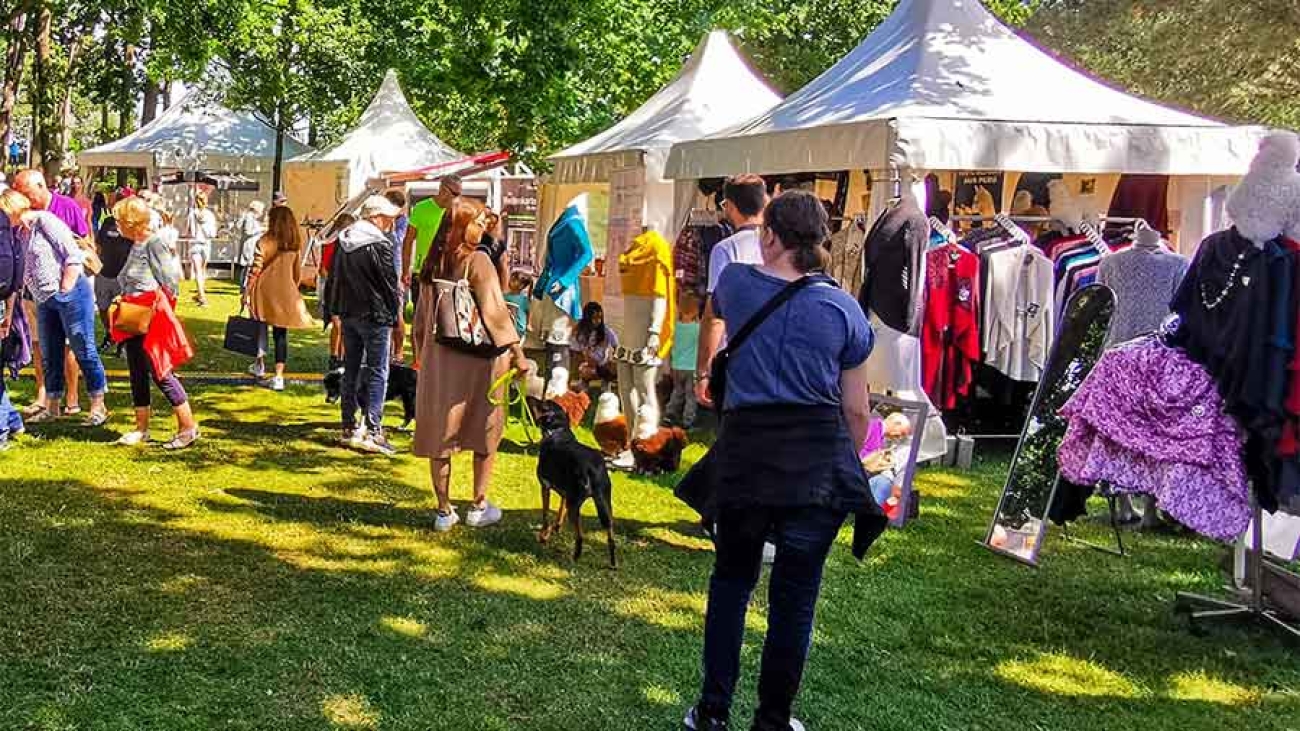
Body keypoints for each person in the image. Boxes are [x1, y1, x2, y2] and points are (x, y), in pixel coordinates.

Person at [685, 190, 879, 731]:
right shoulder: (843, 309)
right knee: (795, 599)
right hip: (815, 464)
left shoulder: (738, 283)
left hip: (748, 456)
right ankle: (773, 720)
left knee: (731, 582)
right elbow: (857, 412)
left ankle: (713, 711)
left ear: (768, 235)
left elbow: (718, 316)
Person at [412, 199, 530, 532]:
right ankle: (478, 504)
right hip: (481, 359)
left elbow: (422, 318)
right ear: (462, 225)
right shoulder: (478, 260)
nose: (483, 229)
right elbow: (495, 312)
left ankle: (443, 510)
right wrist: (519, 356)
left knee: (441, 433)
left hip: (439, 359)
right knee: (486, 428)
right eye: (478, 223)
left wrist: (419, 351)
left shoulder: (433, 262)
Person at [0, 189, 109, 426]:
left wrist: (65, 288)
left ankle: (98, 403)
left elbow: (72, 255)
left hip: (70, 294)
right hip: (43, 299)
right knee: (50, 353)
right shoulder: (17, 233)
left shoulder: (45, 222)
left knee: (83, 347)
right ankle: (52, 405)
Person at [109, 196, 199, 449]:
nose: (116, 225)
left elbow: (170, 282)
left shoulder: (154, 242)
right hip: (133, 317)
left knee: (160, 372)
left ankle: (187, 426)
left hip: (150, 317)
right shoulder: (136, 244)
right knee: (137, 370)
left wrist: (162, 312)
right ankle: (142, 428)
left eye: (119, 220)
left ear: (131, 222)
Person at [324, 196, 402, 455]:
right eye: (389, 218)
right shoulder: (380, 244)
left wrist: (334, 308)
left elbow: (334, 277)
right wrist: (394, 312)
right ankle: (373, 429)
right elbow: (389, 283)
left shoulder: (344, 239)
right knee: (378, 371)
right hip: (375, 314)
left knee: (352, 368)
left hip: (349, 312)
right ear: (377, 217)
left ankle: (348, 425)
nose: (391, 223)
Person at [14, 168, 91, 417]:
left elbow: (85, 242)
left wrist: (68, 283)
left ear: (40, 186)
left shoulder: (66, 206)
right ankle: (44, 395)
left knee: (70, 344)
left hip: (63, 289)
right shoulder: (22, 213)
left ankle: (72, 397)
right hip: (33, 291)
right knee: (40, 343)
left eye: (26, 193)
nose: (25, 199)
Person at [245, 205, 315, 391]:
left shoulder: (264, 241)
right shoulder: (293, 244)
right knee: (280, 334)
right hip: (285, 291)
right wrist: (292, 286)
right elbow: (296, 274)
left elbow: (255, 269)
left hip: (263, 290)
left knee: (259, 327)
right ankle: (278, 375)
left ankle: (259, 364)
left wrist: (247, 291)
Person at [403, 173, 461, 309]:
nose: (457, 198)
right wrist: (406, 270)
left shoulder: (457, 212)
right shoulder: (421, 208)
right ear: (443, 189)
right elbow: (408, 241)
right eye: (455, 193)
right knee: (421, 314)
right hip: (423, 270)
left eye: (459, 194)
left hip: (447, 272)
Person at [319, 213, 355, 369]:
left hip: (348, 288)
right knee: (338, 324)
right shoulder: (330, 243)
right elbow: (323, 269)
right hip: (334, 288)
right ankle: (334, 357)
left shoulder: (354, 243)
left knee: (345, 325)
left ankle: (342, 357)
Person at [93, 214, 133, 353]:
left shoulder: (130, 223)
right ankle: (110, 335)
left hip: (121, 275)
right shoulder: (107, 221)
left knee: (122, 311)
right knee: (103, 308)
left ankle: (123, 342)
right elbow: (99, 244)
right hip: (103, 273)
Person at [666, 290, 701, 429]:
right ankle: (687, 421)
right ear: (695, 311)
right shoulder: (698, 328)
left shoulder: (674, 327)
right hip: (691, 367)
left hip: (676, 366)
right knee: (691, 396)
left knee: (677, 392)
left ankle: (669, 414)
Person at [384, 188, 410, 363]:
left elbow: (398, 242)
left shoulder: (403, 222)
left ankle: (398, 352)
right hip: (382, 271)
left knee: (397, 313)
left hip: (395, 273)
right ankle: (385, 350)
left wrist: (391, 226)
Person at [570, 301, 618, 383]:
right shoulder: (579, 333)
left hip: (603, 365)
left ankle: (605, 379)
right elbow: (575, 355)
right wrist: (587, 360)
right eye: (594, 318)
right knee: (585, 372)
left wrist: (613, 359)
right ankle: (585, 382)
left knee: (616, 368)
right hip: (587, 366)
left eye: (600, 318)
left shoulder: (606, 331)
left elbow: (616, 346)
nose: (598, 321)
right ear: (587, 318)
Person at [186, 191, 217, 306]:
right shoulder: (210, 215)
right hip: (206, 244)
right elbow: (213, 233)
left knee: (198, 271)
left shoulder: (191, 214)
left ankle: (201, 295)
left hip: (195, 244)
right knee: (202, 271)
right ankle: (201, 294)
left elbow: (188, 230)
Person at [232, 200, 266, 292]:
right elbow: (248, 231)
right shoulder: (249, 217)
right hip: (248, 245)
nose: (261, 213)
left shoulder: (248, 216)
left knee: (247, 266)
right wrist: (261, 229)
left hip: (248, 244)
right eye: (261, 210)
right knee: (247, 266)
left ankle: (244, 286)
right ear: (257, 210)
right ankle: (244, 287)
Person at [503, 270, 532, 340]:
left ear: (521, 286)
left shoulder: (524, 299)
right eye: (511, 279)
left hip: (519, 329)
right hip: (507, 328)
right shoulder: (504, 296)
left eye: (513, 280)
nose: (510, 281)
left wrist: (529, 324)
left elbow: (529, 312)